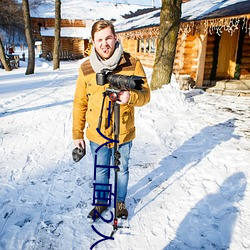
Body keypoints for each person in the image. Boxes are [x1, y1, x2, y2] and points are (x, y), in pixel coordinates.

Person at [72, 20, 150, 220]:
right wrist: (77, 134)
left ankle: (121, 201)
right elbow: (80, 102)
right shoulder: (86, 68)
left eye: (108, 38)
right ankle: (101, 203)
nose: (104, 43)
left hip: (123, 131)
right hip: (97, 133)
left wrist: (130, 97)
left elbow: (146, 95)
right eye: (99, 40)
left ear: (115, 38)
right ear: (93, 42)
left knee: (122, 169)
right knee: (101, 171)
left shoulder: (132, 63)